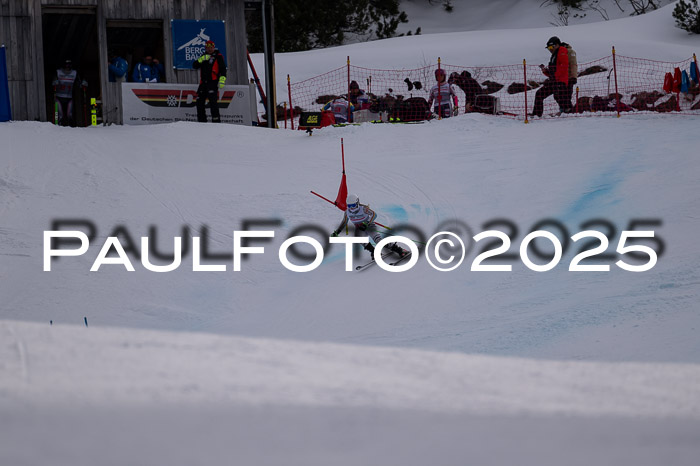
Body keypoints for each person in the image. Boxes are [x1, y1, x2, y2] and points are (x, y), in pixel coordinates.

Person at [331, 194, 406, 260]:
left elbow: (374, 214)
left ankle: (399, 250)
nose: (352, 208)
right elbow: (344, 222)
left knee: (378, 241)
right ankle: (374, 252)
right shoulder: (347, 212)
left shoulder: (363, 209)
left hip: (369, 226)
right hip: (359, 228)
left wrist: (366, 224)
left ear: (357, 203)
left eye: (353, 205)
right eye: (349, 206)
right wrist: (337, 232)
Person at [531, 36, 572, 117]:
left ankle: (569, 113)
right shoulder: (554, 55)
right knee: (539, 94)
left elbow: (564, 66)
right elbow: (554, 71)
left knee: (561, 98)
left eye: (551, 46)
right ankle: (536, 114)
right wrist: (546, 72)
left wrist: (555, 77)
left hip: (560, 81)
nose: (550, 49)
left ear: (557, 45)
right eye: (548, 47)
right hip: (554, 81)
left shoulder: (562, 51)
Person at [193, 40, 227, 123]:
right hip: (203, 83)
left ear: (214, 47)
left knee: (213, 103)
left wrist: (222, 80)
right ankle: (202, 121)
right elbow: (194, 66)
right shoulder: (204, 56)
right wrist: (201, 59)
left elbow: (223, 69)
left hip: (212, 82)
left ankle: (216, 122)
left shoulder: (218, 56)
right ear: (205, 48)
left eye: (211, 47)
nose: (209, 49)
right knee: (199, 102)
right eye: (208, 48)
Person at [51, 59, 87, 127]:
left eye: (69, 65)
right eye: (66, 65)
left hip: (69, 97)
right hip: (59, 97)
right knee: (60, 115)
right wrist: (54, 81)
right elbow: (53, 80)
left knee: (69, 115)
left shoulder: (74, 73)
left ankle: (70, 128)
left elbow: (79, 83)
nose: (67, 67)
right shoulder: (58, 72)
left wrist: (83, 83)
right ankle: (58, 128)